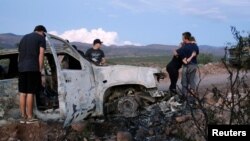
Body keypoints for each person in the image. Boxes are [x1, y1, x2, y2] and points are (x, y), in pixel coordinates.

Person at [18, 25, 47, 124]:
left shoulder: (24, 38)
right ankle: (30, 117)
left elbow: (20, 54)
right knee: (30, 92)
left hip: (21, 68)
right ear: (42, 32)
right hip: (33, 68)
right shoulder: (41, 38)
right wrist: (40, 69)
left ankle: (23, 117)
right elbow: (41, 54)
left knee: (23, 92)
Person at [174, 32, 199, 102]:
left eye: (182, 38)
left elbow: (176, 52)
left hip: (187, 66)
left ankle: (184, 97)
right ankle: (193, 97)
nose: (182, 39)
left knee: (184, 82)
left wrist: (177, 53)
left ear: (185, 38)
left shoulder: (183, 48)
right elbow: (196, 54)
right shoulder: (195, 46)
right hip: (194, 65)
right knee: (192, 81)